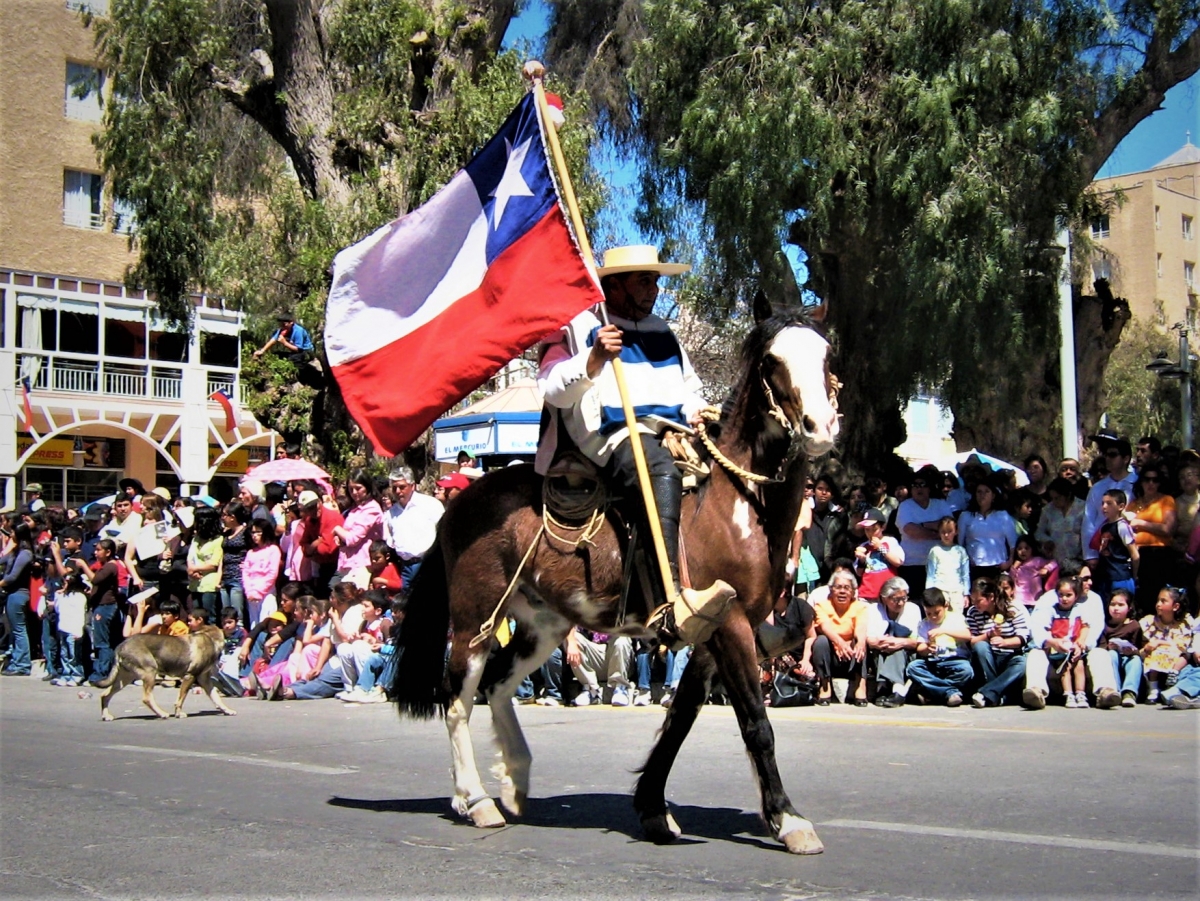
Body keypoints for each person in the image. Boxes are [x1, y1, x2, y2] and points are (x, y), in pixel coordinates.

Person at [534, 243, 735, 644]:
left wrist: (698, 410)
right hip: (608, 433)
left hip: (671, 431)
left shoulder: (664, 330)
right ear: (615, 286)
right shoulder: (573, 326)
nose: (654, 290)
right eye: (645, 281)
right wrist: (591, 360)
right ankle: (668, 599)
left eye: (656, 281)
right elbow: (551, 389)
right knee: (658, 467)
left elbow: (689, 388)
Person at [1024, 576, 1091, 708]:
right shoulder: (1051, 611)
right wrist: (1054, 642)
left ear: (1076, 596)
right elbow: (1046, 629)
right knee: (1065, 667)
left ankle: (1080, 693)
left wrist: (1081, 641)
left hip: (1074, 645)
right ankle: (1068, 694)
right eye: (1061, 595)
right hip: (1059, 647)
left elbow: (1085, 626)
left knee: (1079, 665)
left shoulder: (1079, 610)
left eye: (1068, 595)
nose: (1064, 599)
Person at [965, 578, 1030, 707]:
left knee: (1021, 663)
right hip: (988, 658)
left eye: (979, 601)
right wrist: (988, 635)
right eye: (973, 601)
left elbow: (1022, 638)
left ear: (991, 597)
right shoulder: (973, 612)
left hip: (1009, 655)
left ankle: (988, 693)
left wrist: (1004, 642)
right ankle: (996, 693)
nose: (975, 604)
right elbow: (971, 641)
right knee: (981, 646)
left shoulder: (1013, 608)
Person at [905, 588, 973, 706]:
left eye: (937, 612)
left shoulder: (956, 618)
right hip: (934, 661)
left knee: (966, 671)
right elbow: (920, 648)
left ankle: (932, 693)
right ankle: (950, 692)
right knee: (913, 668)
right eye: (929, 613)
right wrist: (927, 648)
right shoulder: (924, 624)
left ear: (945, 606)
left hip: (955, 660)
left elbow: (967, 636)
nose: (933, 617)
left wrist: (944, 631)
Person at [811, 569, 869, 705]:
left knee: (861, 643)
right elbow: (825, 627)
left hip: (852, 655)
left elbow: (860, 627)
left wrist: (860, 642)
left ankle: (861, 686)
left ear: (853, 592)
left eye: (847, 588)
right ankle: (825, 686)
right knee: (821, 641)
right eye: (838, 587)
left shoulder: (860, 607)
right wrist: (840, 642)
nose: (842, 591)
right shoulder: (822, 606)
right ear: (831, 590)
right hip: (831, 656)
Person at [381, 466, 443, 589]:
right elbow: (390, 538)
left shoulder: (430, 505)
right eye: (394, 488)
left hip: (426, 564)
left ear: (412, 486)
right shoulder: (391, 512)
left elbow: (442, 532)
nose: (398, 491)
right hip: (404, 567)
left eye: (402, 487)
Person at [1126, 464, 1177, 614]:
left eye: (1155, 480)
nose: (1151, 484)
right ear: (1141, 482)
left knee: (1159, 597)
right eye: (1147, 479)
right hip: (1136, 555)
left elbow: (1168, 529)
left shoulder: (1166, 500)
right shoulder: (1133, 504)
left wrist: (1141, 523)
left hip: (1159, 554)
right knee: (1141, 597)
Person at [865, 576, 922, 707]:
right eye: (896, 599)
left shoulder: (913, 609)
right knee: (881, 649)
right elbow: (870, 639)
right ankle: (890, 689)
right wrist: (882, 642)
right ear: (885, 598)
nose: (901, 603)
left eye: (904, 598)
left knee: (898, 648)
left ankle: (889, 688)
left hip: (907, 655)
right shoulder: (874, 610)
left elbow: (918, 641)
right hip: (880, 652)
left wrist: (900, 642)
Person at [896, 465, 952, 597]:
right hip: (912, 565)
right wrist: (938, 533)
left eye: (922, 484)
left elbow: (950, 528)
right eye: (915, 485)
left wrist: (922, 525)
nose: (918, 488)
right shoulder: (905, 506)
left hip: (939, 564)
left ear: (929, 488)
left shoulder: (941, 504)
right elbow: (911, 530)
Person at [1082, 436, 1138, 560]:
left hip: (1129, 552)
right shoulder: (1097, 487)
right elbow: (1089, 521)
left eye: (1113, 455)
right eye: (1106, 455)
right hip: (1102, 553)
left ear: (1126, 459)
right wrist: (1090, 555)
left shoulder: (1138, 485)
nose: (1107, 458)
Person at [1138, 587, 1193, 703]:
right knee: (1154, 653)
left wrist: (1160, 642)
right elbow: (1144, 645)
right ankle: (1153, 689)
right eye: (1158, 600)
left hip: (1176, 656)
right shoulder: (1150, 622)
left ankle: (1172, 677)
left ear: (1175, 606)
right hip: (1155, 655)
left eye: (1163, 601)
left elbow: (1183, 645)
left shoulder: (1184, 623)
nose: (1158, 604)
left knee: (1185, 655)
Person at [957, 480, 1017, 582]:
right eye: (979, 492)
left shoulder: (1003, 516)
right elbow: (959, 543)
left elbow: (1013, 542)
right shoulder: (965, 516)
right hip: (974, 568)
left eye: (986, 492)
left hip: (998, 567)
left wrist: (1009, 561)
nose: (982, 495)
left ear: (993, 495)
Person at [1097, 589, 1146, 706]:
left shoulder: (1134, 625)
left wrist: (1133, 651)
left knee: (1135, 660)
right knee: (1111, 655)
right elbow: (1102, 647)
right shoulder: (1104, 625)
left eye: (1121, 605)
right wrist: (1109, 647)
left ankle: (1129, 692)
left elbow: (1140, 647)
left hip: (1128, 656)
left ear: (1129, 608)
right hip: (1112, 655)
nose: (1116, 608)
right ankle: (1115, 691)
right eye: (1113, 604)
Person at [564, 626, 635, 706]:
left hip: (619, 654)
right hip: (595, 653)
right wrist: (572, 643)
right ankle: (591, 690)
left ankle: (620, 688)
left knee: (622, 638)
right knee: (571, 638)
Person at [1090, 489, 1139, 603]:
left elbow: (1135, 554)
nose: (1104, 507)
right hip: (1105, 577)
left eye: (1109, 503)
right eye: (1103, 503)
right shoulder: (1104, 527)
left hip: (1120, 577)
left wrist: (1134, 576)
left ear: (1121, 506)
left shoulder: (1122, 527)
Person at [0, 523, 35, 676]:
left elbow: (13, 576)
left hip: (19, 594)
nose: (10, 534)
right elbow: (2, 560)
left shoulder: (26, 553)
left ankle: (22, 664)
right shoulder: (16, 551)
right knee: (15, 630)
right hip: (11, 594)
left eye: (12, 532)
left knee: (19, 630)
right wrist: (8, 545)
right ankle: (17, 660)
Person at [298, 490, 344, 596]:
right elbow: (304, 547)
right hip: (322, 567)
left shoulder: (331, 517)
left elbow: (327, 550)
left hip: (337, 565)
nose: (314, 510)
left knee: (332, 594)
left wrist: (312, 548)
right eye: (309, 508)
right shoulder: (310, 521)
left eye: (314, 505)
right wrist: (317, 542)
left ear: (319, 502)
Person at [853, 507, 904, 601]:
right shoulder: (864, 546)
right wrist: (861, 560)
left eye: (874, 529)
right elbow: (859, 573)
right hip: (868, 592)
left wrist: (880, 547)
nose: (871, 533)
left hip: (889, 593)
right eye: (867, 530)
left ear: (883, 527)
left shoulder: (890, 541)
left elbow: (898, 561)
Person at [241, 518, 282, 627]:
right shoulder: (250, 552)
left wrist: (259, 592)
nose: (254, 535)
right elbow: (245, 573)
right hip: (251, 593)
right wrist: (249, 591)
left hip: (266, 593)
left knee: (266, 623)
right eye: (253, 532)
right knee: (253, 623)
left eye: (258, 532)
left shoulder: (273, 550)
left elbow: (272, 574)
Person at [925, 515, 970, 613]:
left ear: (956, 532)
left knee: (957, 617)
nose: (946, 535)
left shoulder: (961, 551)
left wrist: (966, 594)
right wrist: (929, 594)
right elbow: (930, 574)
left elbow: (965, 574)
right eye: (943, 532)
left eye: (949, 532)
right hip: (940, 591)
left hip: (956, 591)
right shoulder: (935, 551)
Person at [187, 505, 224, 619]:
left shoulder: (219, 540)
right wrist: (191, 570)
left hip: (209, 584)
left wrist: (194, 569)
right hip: (195, 583)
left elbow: (213, 564)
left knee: (209, 617)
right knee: (196, 617)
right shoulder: (195, 539)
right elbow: (190, 557)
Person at [1009, 535, 1059, 609]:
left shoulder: (1037, 561)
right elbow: (1011, 580)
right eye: (1019, 549)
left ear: (1032, 549)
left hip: (1034, 600)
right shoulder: (1017, 564)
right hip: (1019, 601)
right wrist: (1013, 568)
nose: (1023, 551)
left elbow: (1054, 563)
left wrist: (1046, 569)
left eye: (1026, 548)